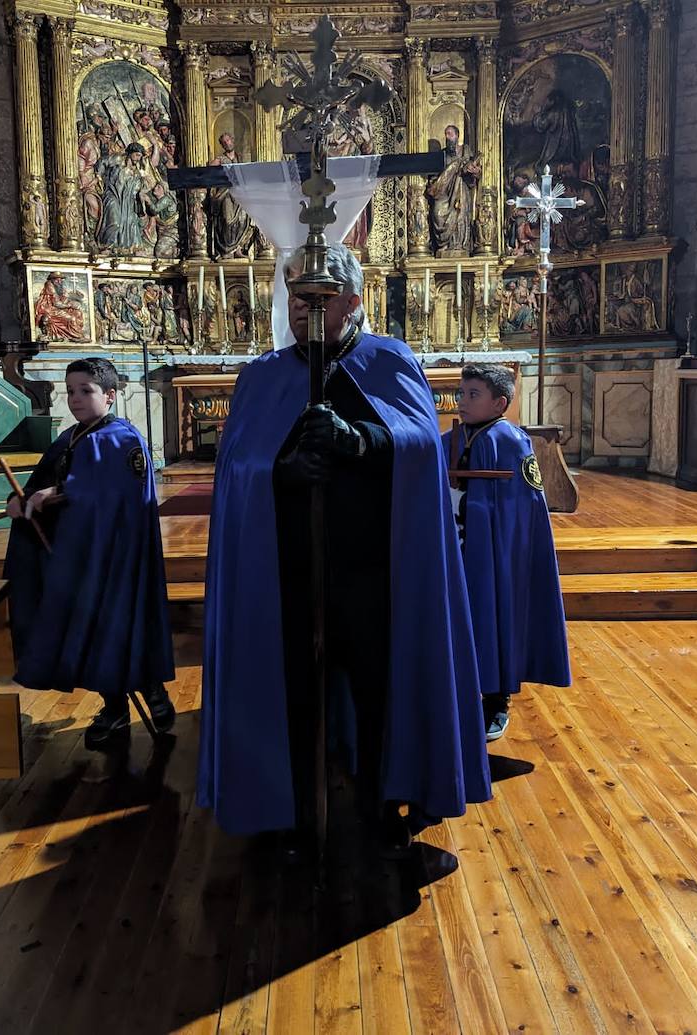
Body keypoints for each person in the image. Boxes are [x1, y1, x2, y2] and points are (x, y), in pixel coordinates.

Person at [197, 243, 491, 855]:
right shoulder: (263, 377)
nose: (304, 310)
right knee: (293, 690)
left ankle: (384, 801)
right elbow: (235, 473)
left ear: (353, 301)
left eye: (320, 299)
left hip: (374, 567)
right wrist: (282, 469)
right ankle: (291, 805)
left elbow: (422, 448)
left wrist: (360, 441)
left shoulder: (387, 359)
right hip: (286, 570)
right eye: (296, 299)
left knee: (377, 687)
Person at [3, 358, 176, 750]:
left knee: (117, 623)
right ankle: (113, 707)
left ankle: (152, 691)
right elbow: (43, 483)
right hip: (74, 554)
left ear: (111, 396)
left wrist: (59, 494)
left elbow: (117, 497)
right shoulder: (70, 438)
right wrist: (23, 500)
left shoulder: (122, 440)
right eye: (70, 391)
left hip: (114, 556)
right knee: (87, 628)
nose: (75, 399)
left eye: (86, 391)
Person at [443, 364, 571, 741]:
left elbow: (523, 506)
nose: (462, 401)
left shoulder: (511, 442)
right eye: (461, 393)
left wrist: (494, 535)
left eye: (473, 395)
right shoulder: (451, 438)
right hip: (457, 542)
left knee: (492, 615)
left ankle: (495, 701)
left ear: (500, 403)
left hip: (493, 551)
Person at [426, 125, 481, 256]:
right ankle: (444, 245)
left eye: (450, 134)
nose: (447, 137)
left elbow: (477, 173)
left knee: (460, 215)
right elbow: (435, 176)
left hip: (461, 189)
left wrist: (474, 172)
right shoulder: (442, 155)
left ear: (457, 135)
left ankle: (458, 245)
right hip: (444, 192)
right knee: (437, 213)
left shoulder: (466, 152)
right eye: (446, 134)